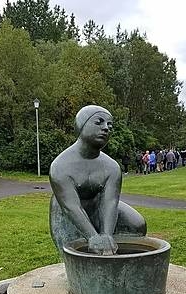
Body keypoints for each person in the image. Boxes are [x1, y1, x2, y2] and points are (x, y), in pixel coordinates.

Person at [49, 105, 146, 255]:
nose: (106, 128)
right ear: (81, 126)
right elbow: (71, 206)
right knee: (75, 254)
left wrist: (106, 234)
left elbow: (110, 202)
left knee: (136, 225)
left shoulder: (112, 167)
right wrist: (93, 236)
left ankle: (117, 263)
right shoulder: (60, 166)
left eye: (109, 125)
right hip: (66, 211)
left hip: (97, 205)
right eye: (98, 122)